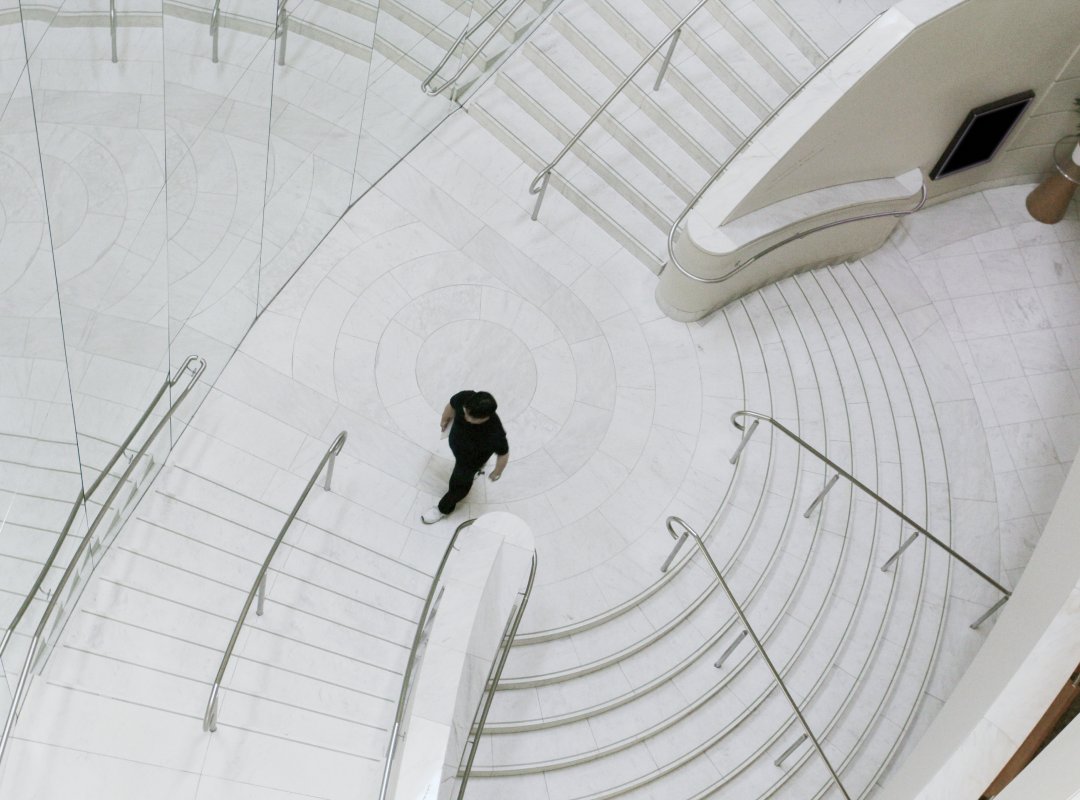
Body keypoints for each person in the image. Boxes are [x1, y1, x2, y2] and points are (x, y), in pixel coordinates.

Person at [421, 390, 509, 524]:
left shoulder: (495, 432)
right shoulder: (466, 398)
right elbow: (451, 405)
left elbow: (503, 454)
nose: (466, 417)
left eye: (472, 418)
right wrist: (445, 418)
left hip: (470, 461)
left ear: (486, 417)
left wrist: (497, 472)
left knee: (458, 486)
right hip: (457, 444)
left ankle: (443, 509)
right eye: (465, 412)